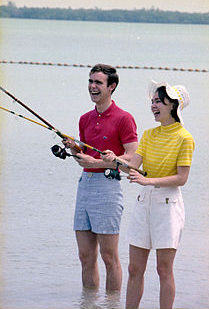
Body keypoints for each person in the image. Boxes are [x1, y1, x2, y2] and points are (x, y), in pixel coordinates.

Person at [102, 80, 195, 308]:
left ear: (173, 106)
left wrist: (148, 180)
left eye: (159, 101)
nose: (153, 105)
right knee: (134, 268)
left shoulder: (185, 138)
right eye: (152, 101)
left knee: (163, 269)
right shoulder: (148, 134)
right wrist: (114, 160)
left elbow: (182, 178)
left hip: (168, 205)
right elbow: (132, 167)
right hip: (144, 203)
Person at [62, 64, 138, 292]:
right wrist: (74, 148)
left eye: (98, 83)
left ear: (111, 87)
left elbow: (132, 159)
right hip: (85, 186)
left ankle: (112, 305)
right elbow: (85, 155)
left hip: (108, 187)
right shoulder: (85, 118)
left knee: (109, 257)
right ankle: (89, 305)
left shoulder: (124, 118)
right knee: (85, 256)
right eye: (90, 81)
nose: (92, 87)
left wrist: (98, 163)